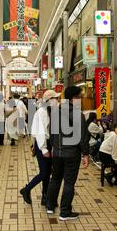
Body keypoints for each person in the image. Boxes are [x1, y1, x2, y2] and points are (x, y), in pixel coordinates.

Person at [46, 86, 90, 221]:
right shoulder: (78, 114)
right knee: (69, 182)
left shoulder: (56, 111)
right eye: (79, 97)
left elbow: (52, 133)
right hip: (71, 153)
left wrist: (53, 148)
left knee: (55, 178)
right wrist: (85, 154)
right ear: (73, 98)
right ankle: (65, 212)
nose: (81, 99)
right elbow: (82, 136)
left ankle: (50, 206)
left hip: (58, 152)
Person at [20, 90, 60, 206]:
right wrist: (44, 149)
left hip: (48, 144)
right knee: (44, 173)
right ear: (49, 100)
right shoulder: (42, 112)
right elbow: (40, 132)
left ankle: (45, 197)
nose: (57, 101)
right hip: (42, 144)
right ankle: (26, 189)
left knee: (48, 173)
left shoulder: (50, 111)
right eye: (55, 99)